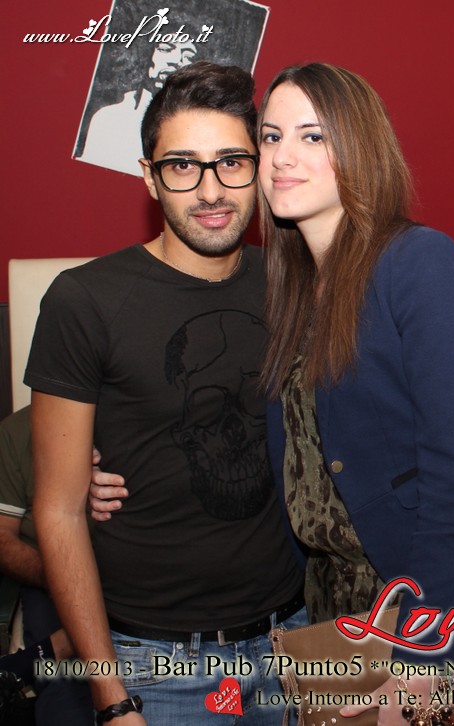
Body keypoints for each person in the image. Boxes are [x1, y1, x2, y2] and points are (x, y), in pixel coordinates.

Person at [27, 62, 306, 725]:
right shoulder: (85, 300)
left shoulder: (294, 282)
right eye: (183, 166)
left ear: (259, 169)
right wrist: (112, 700)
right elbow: (58, 512)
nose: (211, 190)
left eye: (231, 162)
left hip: (294, 642)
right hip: (155, 665)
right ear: (150, 177)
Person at [256, 63, 454, 725]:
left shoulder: (419, 261)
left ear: (359, 146)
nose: (282, 156)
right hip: (331, 604)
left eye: (312, 136)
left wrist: (425, 649)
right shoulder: (291, 289)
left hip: (424, 601)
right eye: (271, 136)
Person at [0, 406, 92, 724]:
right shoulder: (16, 432)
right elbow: (3, 538)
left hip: (135, 578)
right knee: (66, 696)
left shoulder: (141, 417)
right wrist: (63, 579)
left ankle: (27, 663)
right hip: (49, 576)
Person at [78, 37, 198, 175]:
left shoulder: (194, 134)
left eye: (188, 56)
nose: (175, 60)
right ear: (147, 55)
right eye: (165, 49)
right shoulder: (107, 118)